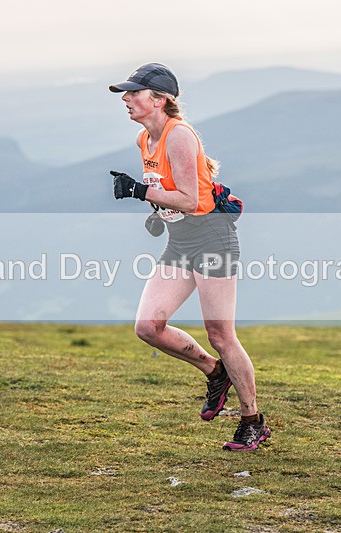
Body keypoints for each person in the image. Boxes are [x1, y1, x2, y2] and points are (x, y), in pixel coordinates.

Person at [108, 63, 270, 451]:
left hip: (212, 236)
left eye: (134, 93)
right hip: (181, 240)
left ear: (160, 99)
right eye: (126, 94)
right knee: (149, 326)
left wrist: (138, 192)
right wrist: (155, 208)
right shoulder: (143, 140)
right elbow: (171, 193)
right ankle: (215, 373)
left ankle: (253, 421)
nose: (127, 99)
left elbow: (192, 200)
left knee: (221, 335)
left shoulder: (180, 135)